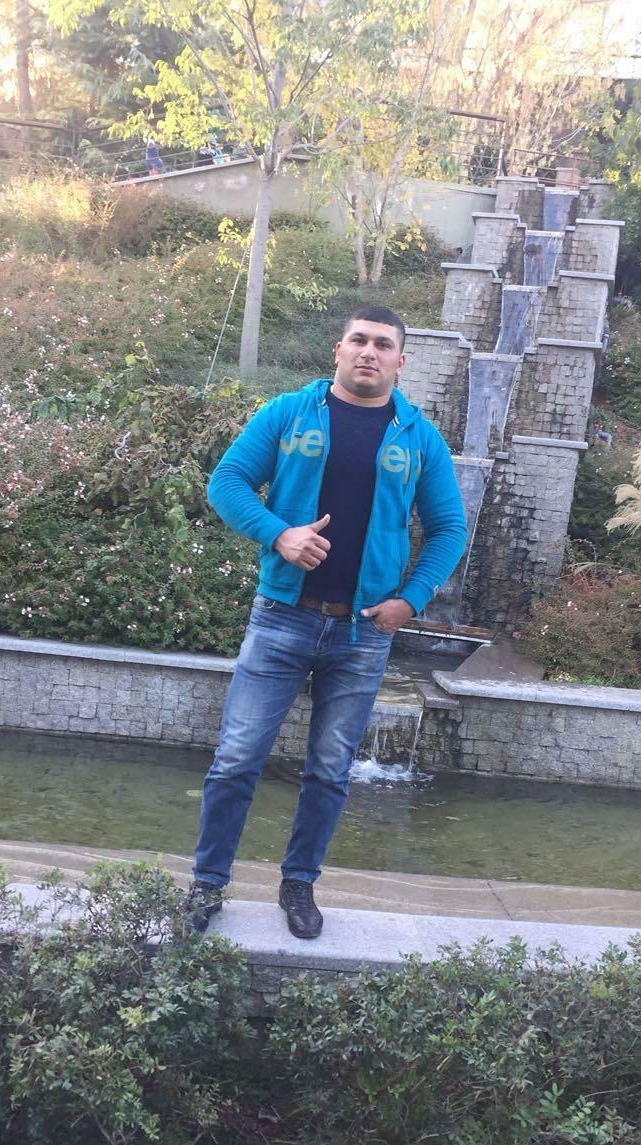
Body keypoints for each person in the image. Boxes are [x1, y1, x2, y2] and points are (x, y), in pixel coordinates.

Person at [184, 306, 467, 939]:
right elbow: (228, 481)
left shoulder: (419, 437)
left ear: (400, 361)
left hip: (362, 631)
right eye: (359, 340)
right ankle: (208, 883)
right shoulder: (288, 413)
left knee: (331, 770)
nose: (369, 352)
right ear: (338, 349)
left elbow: (449, 527)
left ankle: (299, 883)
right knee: (236, 759)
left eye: (383, 345)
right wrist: (278, 534)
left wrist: (411, 599)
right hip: (281, 617)